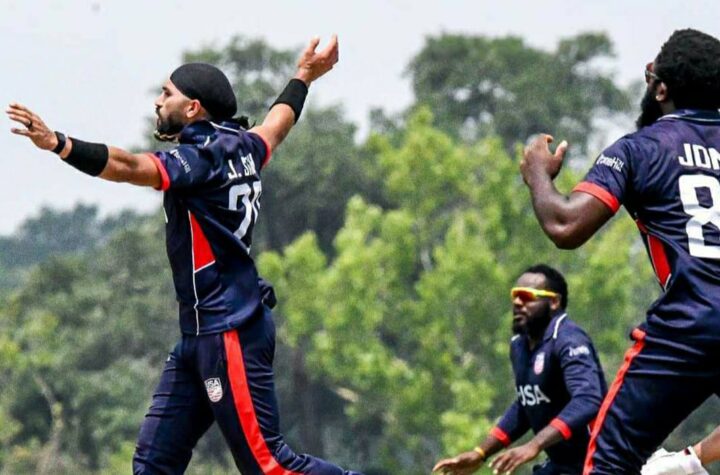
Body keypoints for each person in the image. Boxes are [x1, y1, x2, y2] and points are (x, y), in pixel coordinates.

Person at [7, 36, 362, 475]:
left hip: (228, 330)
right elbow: (278, 122)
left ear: (192, 108)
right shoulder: (245, 145)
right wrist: (303, 76)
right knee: (153, 466)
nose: (158, 102)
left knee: (270, 466)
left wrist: (58, 143)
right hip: (200, 336)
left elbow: (127, 167)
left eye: (167, 94)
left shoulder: (199, 160)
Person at [519, 28, 720, 475]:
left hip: (686, 327)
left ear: (660, 88)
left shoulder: (642, 148)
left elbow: (565, 225)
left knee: (608, 463)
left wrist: (537, 176)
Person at [433, 264, 607, 475]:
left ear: (554, 301)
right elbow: (528, 405)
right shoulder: (519, 346)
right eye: (515, 296)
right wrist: (481, 452)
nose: (517, 303)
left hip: (601, 462)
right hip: (563, 466)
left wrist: (534, 445)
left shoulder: (569, 339)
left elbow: (588, 399)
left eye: (526, 297)